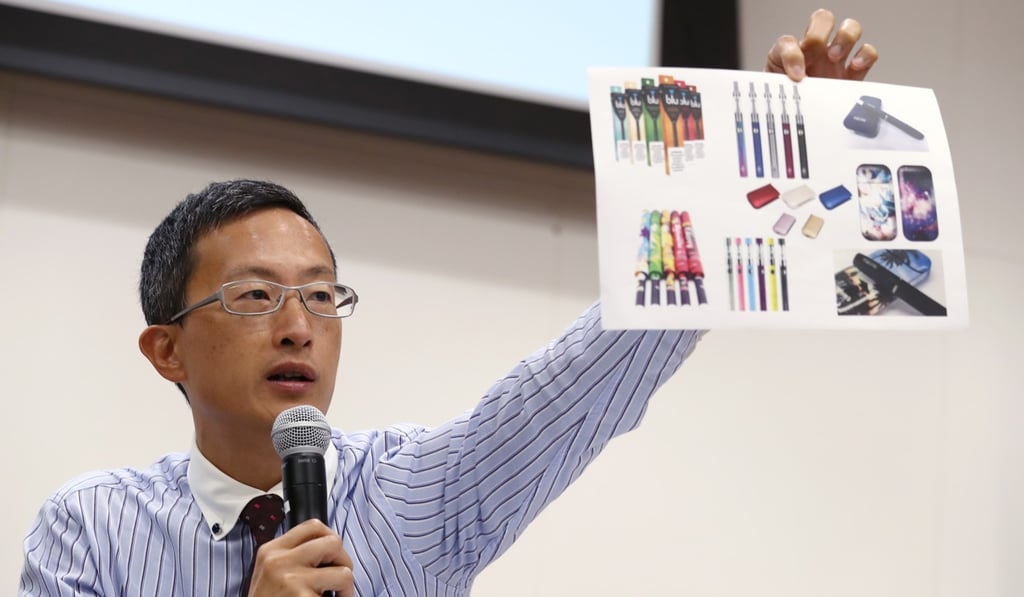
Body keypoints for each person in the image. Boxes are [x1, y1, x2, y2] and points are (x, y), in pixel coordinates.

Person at [20, 10, 877, 597]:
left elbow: (591, 370)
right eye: (256, 296)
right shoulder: (90, 528)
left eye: (322, 295)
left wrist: (762, 163)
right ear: (167, 350)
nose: (298, 324)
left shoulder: (412, 494)